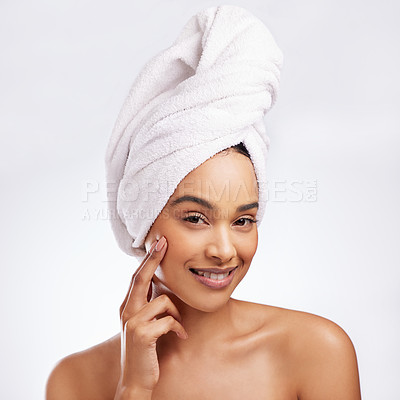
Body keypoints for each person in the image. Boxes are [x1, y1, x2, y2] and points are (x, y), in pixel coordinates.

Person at [46, 5, 362, 400]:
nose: (225, 250)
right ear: (143, 221)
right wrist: (134, 387)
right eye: (195, 218)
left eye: (244, 220)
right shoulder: (75, 380)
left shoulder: (316, 351)